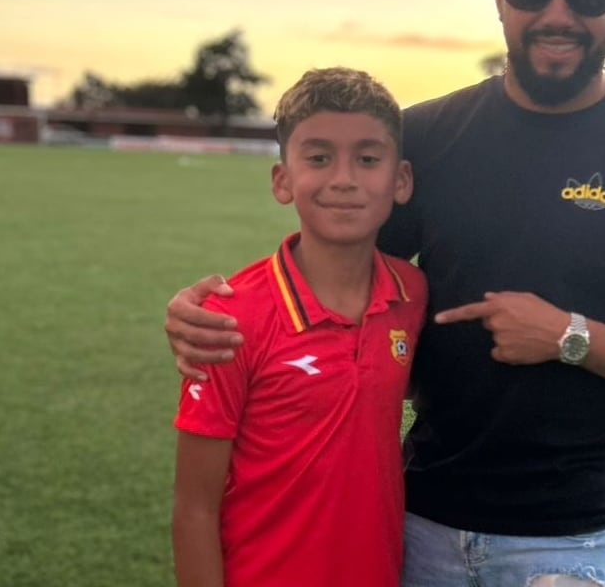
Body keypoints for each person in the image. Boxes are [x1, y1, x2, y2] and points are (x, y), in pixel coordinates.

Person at [165, 0, 605, 587]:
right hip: (417, 524)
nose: (558, 15)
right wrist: (210, 312)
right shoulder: (426, 139)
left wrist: (571, 336)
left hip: (565, 542)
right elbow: (342, 281)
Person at [171, 67, 426, 587]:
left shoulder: (412, 293)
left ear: (400, 181)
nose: (344, 178)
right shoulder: (228, 319)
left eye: (368, 159)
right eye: (318, 158)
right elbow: (193, 509)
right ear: (282, 180)